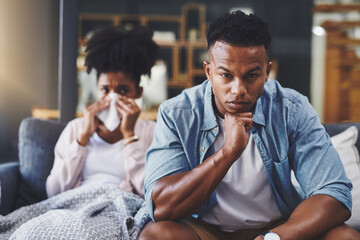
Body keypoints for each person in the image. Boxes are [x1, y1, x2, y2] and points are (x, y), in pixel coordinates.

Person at [140, 11, 360, 240]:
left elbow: (334, 194)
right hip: (206, 231)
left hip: (276, 228)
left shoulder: (291, 109)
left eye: (251, 75)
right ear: (208, 72)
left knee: (344, 237)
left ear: (267, 72)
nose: (238, 90)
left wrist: (272, 238)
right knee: (156, 235)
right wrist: (228, 152)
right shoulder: (177, 113)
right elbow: (160, 207)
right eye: (226, 75)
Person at [46, 26, 158, 198]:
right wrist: (83, 138)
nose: (112, 98)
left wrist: (129, 136)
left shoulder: (151, 132)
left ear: (138, 92)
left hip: (120, 208)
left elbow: (152, 193)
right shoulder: (76, 129)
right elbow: (53, 192)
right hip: (75, 206)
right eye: (105, 90)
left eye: (123, 91)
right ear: (97, 90)